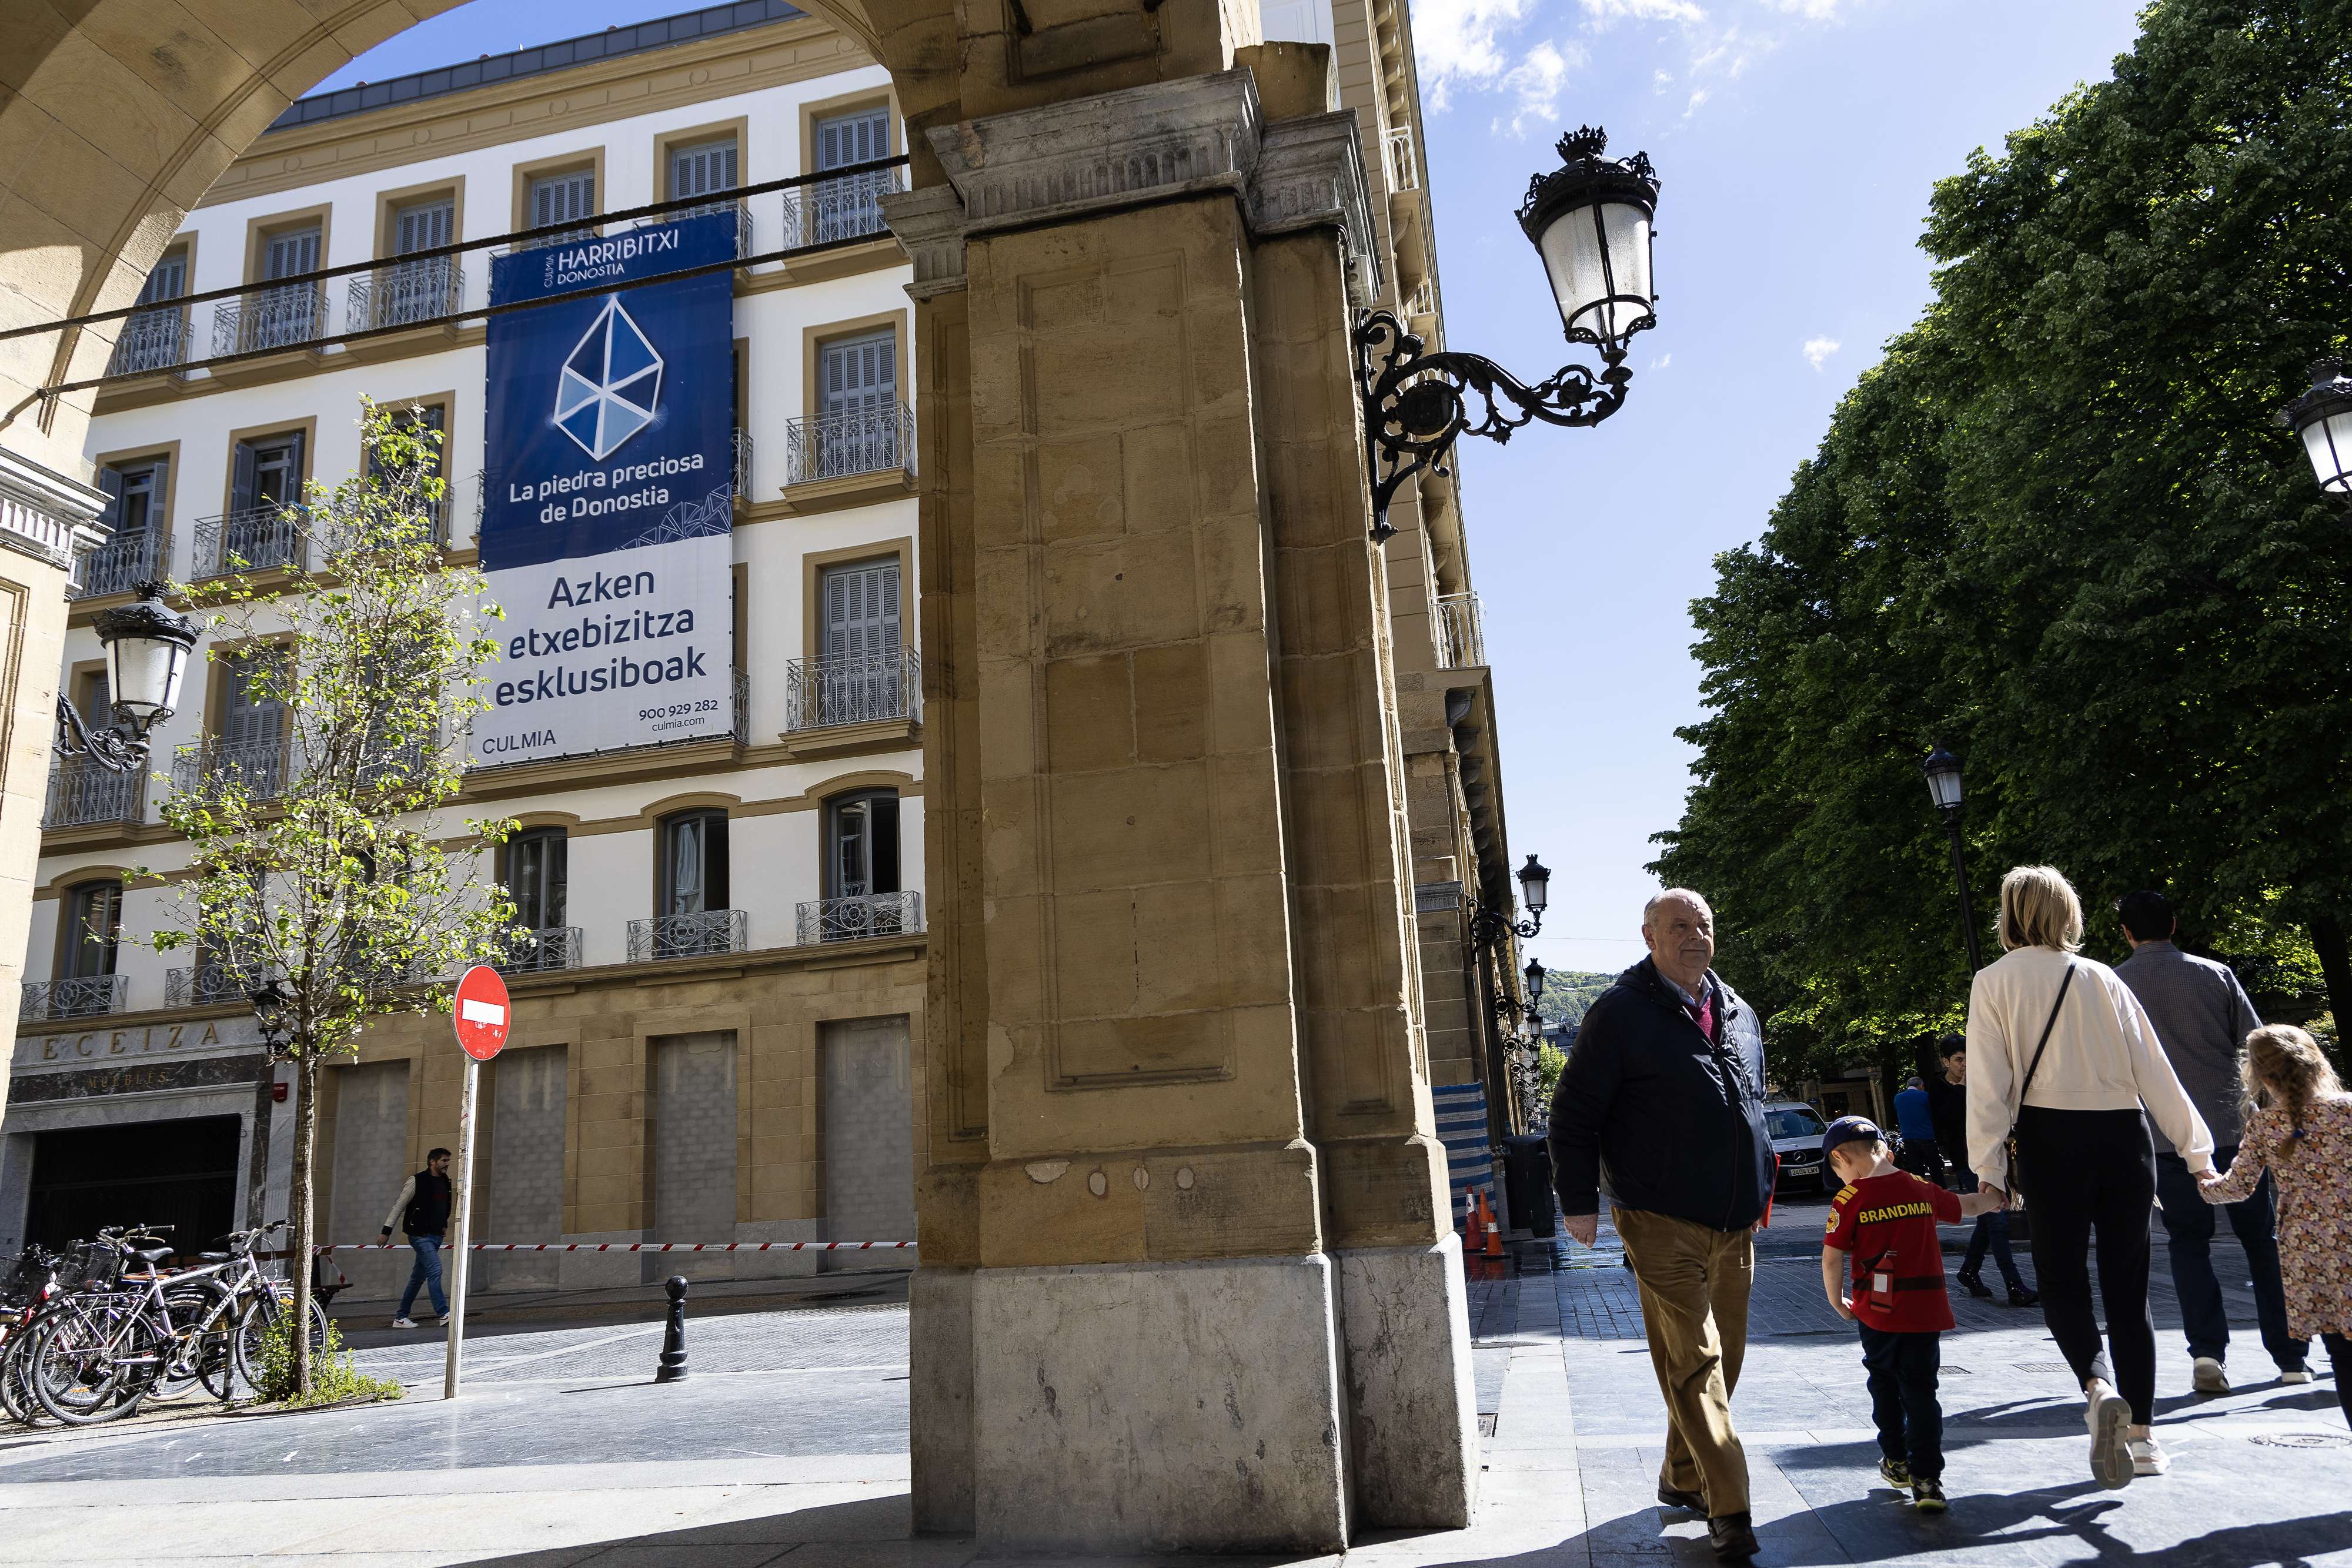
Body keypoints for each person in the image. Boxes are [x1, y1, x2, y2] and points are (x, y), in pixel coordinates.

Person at [1965, 865, 2214, 1487]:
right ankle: (2145, 1437)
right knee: (2129, 1290)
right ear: (2068, 914)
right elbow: (2154, 1070)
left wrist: (1989, 1169)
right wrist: (2196, 1151)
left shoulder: (1993, 982)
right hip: (2122, 1138)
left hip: (2051, 1142)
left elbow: (1990, 1088)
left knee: (2061, 1282)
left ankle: (2096, 1385)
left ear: (2009, 915)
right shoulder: (2102, 977)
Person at [1551, 889, 1773, 1562]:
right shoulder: (1621, 1013)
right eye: (1678, 926)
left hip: (1734, 1222)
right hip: (1657, 1217)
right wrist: (1578, 1201)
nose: (1693, 935)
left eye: (1703, 924)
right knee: (1697, 1360)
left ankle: (1681, 1475)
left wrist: (1760, 1187)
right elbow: (1574, 1112)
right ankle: (1729, 1508)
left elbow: (1752, 1106)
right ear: (1649, 937)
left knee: (1721, 1360)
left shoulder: (1738, 1011)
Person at [2114, 888, 2309, 1392]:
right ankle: (2290, 1355)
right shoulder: (2216, 974)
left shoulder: (2113, 985)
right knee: (2261, 1240)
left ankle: (2206, 1352)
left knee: (2187, 1241)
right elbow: (2258, 1044)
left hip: (2163, 1134)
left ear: (2126, 932)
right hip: (2231, 1127)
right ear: (2175, 924)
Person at [1820, 1115, 2005, 1513]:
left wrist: (1836, 1301)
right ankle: (1927, 1479)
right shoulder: (1919, 1187)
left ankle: (1897, 1459)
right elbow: (1967, 1205)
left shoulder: (1849, 1200)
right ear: (1886, 1150)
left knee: (1884, 1383)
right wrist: (1995, 1197)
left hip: (1878, 1312)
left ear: (1840, 1157)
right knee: (1922, 1391)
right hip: (1925, 1309)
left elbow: (1832, 1256)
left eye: (1837, 1171)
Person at [2199, 1025, 2352, 1428]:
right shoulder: (2349, 1110)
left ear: (2261, 1077)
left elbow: (2236, 1187)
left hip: (2307, 1252)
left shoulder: (2266, 1125)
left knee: (2340, 1350)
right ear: (2317, 1063)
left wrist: (2203, 1181)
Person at [1922, 1037, 2035, 1306]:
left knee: (1989, 1220)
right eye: (1959, 1060)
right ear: (1945, 1062)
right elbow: (1949, 1121)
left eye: (1968, 1059)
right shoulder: (1938, 1088)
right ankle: (2014, 1285)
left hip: (1994, 1158)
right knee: (1997, 1223)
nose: (1965, 1065)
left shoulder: (1979, 1083)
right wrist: (1963, 1090)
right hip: (1968, 1162)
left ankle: (1969, 1271)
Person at [380, 1147, 454, 1329]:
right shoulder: (416, 1181)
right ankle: (444, 1313)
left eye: (448, 1161)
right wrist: (386, 1231)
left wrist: (443, 1225)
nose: (447, 1164)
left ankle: (401, 1317)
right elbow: (399, 1206)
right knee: (435, 1269)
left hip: (436, 1235)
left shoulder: (445, 1181)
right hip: (419, 1235)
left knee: (417, 1278)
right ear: (433, 1162)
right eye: (444, 1161)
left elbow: (444, 1206)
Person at [1891, 1076, 1946, 1185]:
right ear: (1921, 1086)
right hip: (1927, 1138)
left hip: (1909, 1139)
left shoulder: (1898, 1098)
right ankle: (1942, 1192)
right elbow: (1932, 1114)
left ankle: (1922, 1194)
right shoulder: (1925, 1096)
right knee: (1935, 1170)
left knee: (1917, 1172)